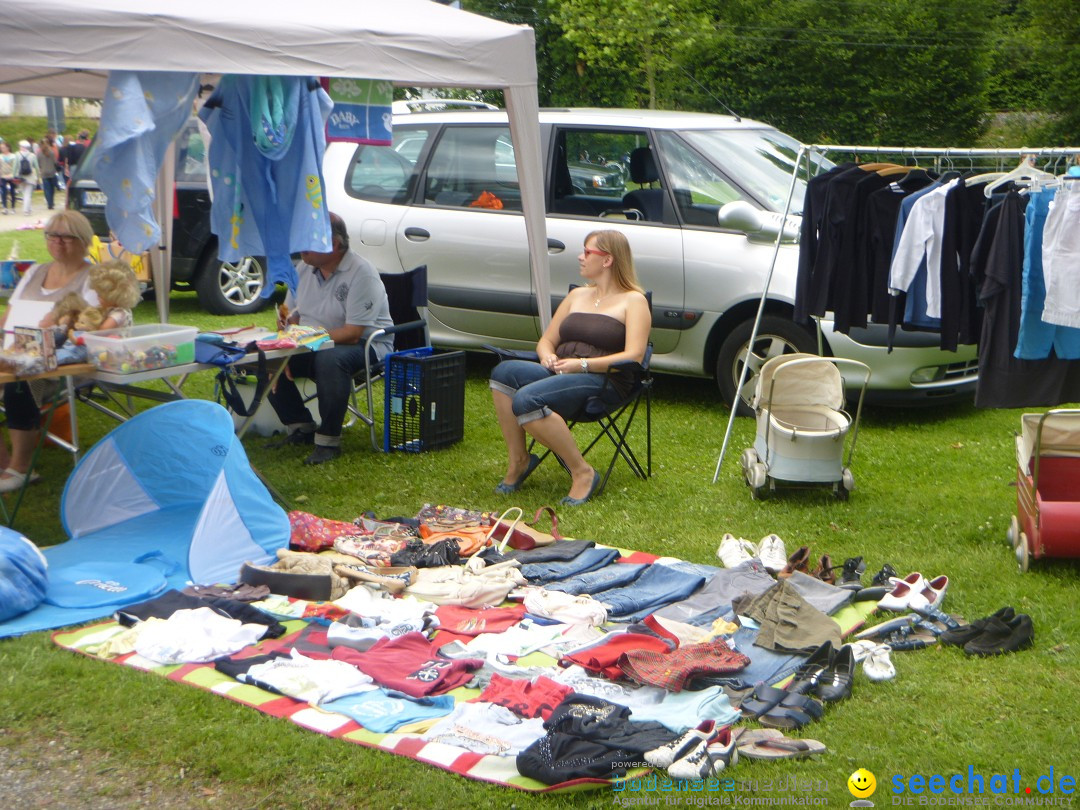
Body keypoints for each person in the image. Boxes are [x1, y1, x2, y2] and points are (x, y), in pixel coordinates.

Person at [489, 230, 650, 506]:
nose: (580, 256)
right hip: (561, 370)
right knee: (502, 373)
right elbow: (547, 340)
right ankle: (519, 459)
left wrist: (583, 364)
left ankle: (582, 472)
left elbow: (634, 356)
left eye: (588, 252)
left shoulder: (633, 301)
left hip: (604, 380)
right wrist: (547, 356)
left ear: (608, 260)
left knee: (527, 400)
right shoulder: (577, 295)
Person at [265, 213, 394, 465]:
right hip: (314, 343)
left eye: (307, 240)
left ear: (334, 245)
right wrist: (286, 332)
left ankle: (328, 441)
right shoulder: (303, 269)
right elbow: (292, 316)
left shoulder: (362, 273)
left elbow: (352, 332)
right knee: (265, 357)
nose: (300, 247)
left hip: (367, 345)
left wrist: (304, 341)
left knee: (330, 359)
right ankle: (300, 426)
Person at [0, 211, 99, 493]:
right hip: (13, 351)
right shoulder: (36, 271)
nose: (58, 242)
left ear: (84, 241)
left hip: (58, 361)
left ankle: (21, 467)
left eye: (67, 236)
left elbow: (84, 325)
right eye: (52, 235)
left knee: (21, 382)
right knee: (13, 373)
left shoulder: (91, 278)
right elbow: (7, 319)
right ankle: (2, 463)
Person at [36, 135, 60, 210]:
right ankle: (51, 202)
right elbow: (55, 162)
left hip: (44, 173)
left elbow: (38, 163)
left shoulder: (39, 154)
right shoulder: (51, 152)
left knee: (46, 189)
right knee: (52, 189)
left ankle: (48, 202)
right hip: (52, 172)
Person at [14, 141, 39, 216]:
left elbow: (15, 167)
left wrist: (14, 175)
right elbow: (36, 167)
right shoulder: (32, 155)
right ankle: (26, 210)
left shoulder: (17, 155)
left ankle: (27, 209)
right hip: (30, 177)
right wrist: (37, 176)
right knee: (28, 194)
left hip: (20, 176)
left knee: (24, 193)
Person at [0, 141, 16, 214]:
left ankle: (13, 207)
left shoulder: (13, 156)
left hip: (11, 175)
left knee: (12, 191)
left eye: (3, 147)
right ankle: (5, 207)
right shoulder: (0, 156)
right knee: (4, 191)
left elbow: (15, 166)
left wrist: (13, 174)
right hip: (3, 175)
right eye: (1, 148)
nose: (2, 149)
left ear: (8, 148)